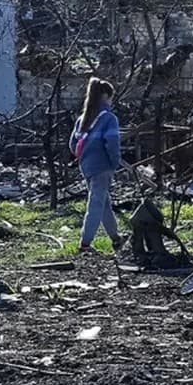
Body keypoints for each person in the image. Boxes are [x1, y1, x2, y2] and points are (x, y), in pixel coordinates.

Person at [70, 77, 123, 254]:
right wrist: (115, 162)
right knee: (95, 203)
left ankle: (116, 238)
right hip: (103, 166)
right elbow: (112, 143)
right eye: (111, 97)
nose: (111, 101)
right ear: (106, 96)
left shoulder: (82, 119)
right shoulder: (109, 119)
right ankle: (85, 243)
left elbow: (72, 144)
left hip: (87, 166)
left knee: (103, 203)